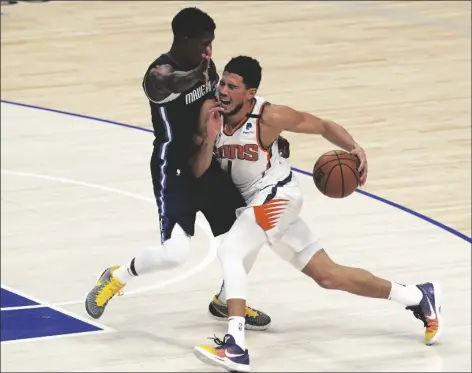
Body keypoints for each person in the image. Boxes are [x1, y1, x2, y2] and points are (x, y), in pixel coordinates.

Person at [192, 56, 442, 372]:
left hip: (278, 197)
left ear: (250, 93)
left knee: (231, 249)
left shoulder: (270, 117)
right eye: (222, 83)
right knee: (328, 276)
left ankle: (235, 346)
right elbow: (199, 169)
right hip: (256, 206)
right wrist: (210, 136)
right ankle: (418, 296)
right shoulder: (211, 114)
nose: (223, 90)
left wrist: (354, 148)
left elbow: (322, 126)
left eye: (232, 86)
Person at [84, 8, 290, 330]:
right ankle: (115, 277)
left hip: (208, 163)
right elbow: (172, 83)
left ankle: (226, 301)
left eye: (212, 43)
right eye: (204, 43)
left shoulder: (207, 68)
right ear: (185, 40)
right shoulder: (159, 75)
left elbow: (229, 105)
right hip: (174, 169)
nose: (209, 50)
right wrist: (200, 72)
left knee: (251, 229)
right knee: (175, 254)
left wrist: (270, 134)